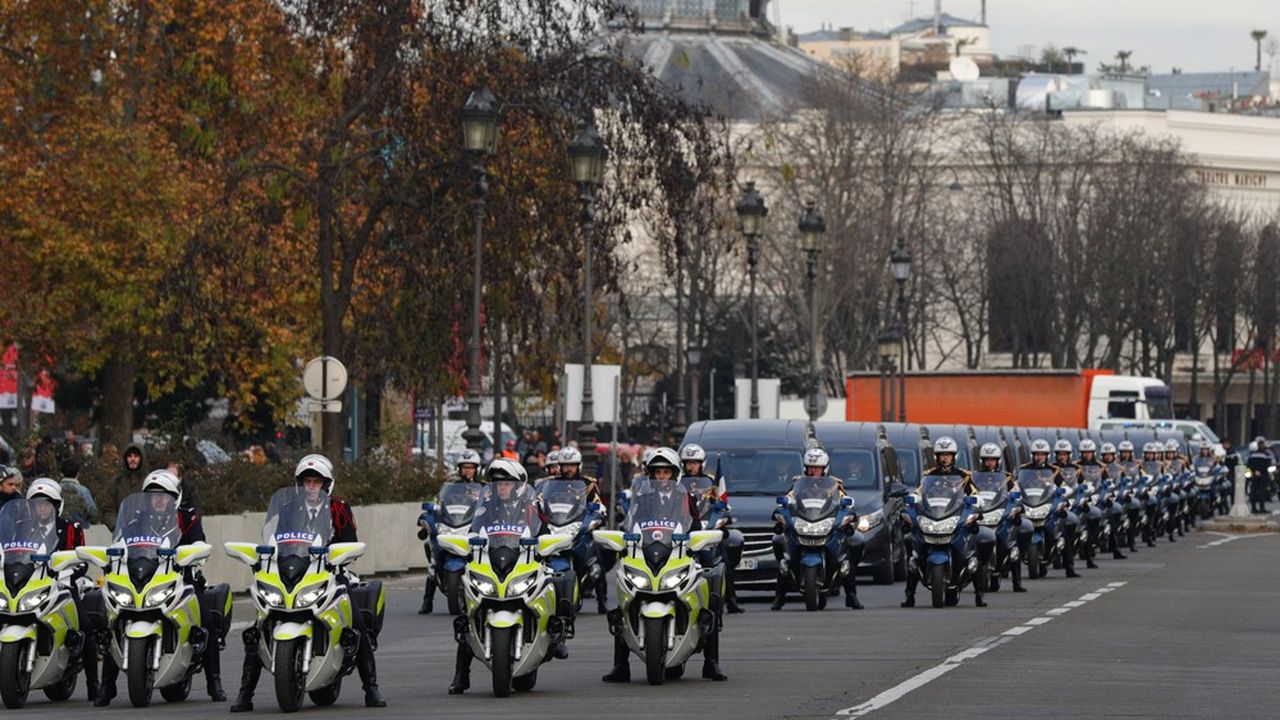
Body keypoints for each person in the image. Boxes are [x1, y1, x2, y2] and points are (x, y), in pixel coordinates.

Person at [231, 454, 385, 711]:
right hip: (293, 572)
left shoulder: (339, 509)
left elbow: (350, 540)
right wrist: (265, 555)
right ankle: (245, 694)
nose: (312, 487)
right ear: (300, 484)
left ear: (326, 484)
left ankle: (371, 688)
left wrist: (338, 554)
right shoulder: (288, 509)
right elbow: (274, 539)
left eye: (317, 482)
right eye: (307, 482)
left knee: (356, 622)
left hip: (330, 572)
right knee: (259, 625)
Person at [96, 469, 224, 704]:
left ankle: (213, 682)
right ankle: (107, 686)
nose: (158, 500)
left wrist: (195, 551)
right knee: (114, 619)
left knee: (205, 621)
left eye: (163, 496)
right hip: (141, 576)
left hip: (180, 576)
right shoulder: (136, 519)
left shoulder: (187, 517)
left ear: (174, 497)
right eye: (153, 495)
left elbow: (199, 541)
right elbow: (120, 541)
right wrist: (112, 554)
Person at [449, 459, 576, 693]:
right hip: (494, 558)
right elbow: (473, 531)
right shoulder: (485, 507)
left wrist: (546, 543)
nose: (502, 488)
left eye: (506, 483)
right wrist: (468, 543)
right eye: (498, 484)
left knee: (560, 578)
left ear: (518, 486)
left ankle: (557, 634)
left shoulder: (532, 506)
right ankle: (461, 675)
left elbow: (545, 530)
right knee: (470, 610)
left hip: (524, 558)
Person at [603, 447, 727, 683]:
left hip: (678, 552)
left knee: (709, 588)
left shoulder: (685, 498)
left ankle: (711, 663)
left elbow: (695, 526)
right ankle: (621, 666)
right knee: (624, 596)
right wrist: (624, 535)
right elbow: (630, 523)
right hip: (647, 552)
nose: (661, 478)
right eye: (657, 473)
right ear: (650, 475)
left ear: (674, 474)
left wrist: (694, 539)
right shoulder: (642, 498)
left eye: (665, 473)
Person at [23, 480, 96, 697]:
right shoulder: (23, 529)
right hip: (27, 586)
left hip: (61, 586)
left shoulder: (70, 529)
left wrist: (66, 575)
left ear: (56, 505)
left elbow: (82, 561)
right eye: (38, 504)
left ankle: (94, 686)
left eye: (47, 504)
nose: (42, 508)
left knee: (86, 628)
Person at [772, 447, 865, 611]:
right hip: (804, 522)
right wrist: (781, 511)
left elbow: (846, 501)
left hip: (825, 523)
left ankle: (852, 597)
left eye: (817, 468)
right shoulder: (797, 484)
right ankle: (779, 598)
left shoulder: (835, 485)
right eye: (810, 467)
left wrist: (849, 513)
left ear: (825, 468)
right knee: (781, 546)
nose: (813, 471)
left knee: (851, 546)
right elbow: (787, 499)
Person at [902, 437, 984, 607]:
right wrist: (911, 501)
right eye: (941, 455)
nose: (945, 458)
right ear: (936, 457)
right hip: (933, 516)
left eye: (948, 455)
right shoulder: (929, 476)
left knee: (975, 546)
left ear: (954, 456)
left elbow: (975, 494)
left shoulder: (963, 476)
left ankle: (979, 594)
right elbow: (918, 493)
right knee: (913, 549)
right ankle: (909, 596)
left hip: (954, 516)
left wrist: (976, 502)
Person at [679, 443, 745, 614]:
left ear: (701, 463)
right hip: (685, 528)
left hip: (705, 528)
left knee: (724, 562)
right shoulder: (677, 483)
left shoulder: (710, 482)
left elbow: (720, 505)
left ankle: (731, 601)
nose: (691, 466)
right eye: (688, 462)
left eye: (695, 462)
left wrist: (722, 516)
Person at [420, 449, 481, 614]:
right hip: (453, 525)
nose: (467, 470)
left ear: (477, 469)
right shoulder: (451, 487)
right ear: (459, 469)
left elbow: (489, 506)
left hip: (471, 527)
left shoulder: (484, 488)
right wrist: (428, 516)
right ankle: (427, 601)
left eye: (471, 467)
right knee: (433, 561)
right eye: (464, 467)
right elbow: (441, 504)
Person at [1023, 439, 1079, 578]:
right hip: (1031, 504)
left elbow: (1064, 486)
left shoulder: (1053, 471)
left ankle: (1069, 566)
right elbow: (1019, 485)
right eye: (1037, 454)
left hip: (1048, 505)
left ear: (1047, 455)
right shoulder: (1025, 469)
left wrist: (1064, 493)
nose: (1039, 457)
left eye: (1042, 454)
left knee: (1063, 528)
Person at [975, 443, 1026, 592]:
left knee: (1012, 543)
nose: (989, 462)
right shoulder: (975, 477)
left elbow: (1016, 494)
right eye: (986, 459)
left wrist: (1016, 507)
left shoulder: (1007, 478)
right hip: (984, 515)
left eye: (993, 459)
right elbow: (968, 495)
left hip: (1000, 514)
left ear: (998, 461)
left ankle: (1017, 582)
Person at [101, 443, 148, 531]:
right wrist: (115, 526)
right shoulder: (116, 482)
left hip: (147, 534)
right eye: (129, 456)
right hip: (122, 533)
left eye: (136, 456)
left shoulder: (149, 482)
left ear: (142, 458)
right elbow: (108, 509)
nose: (132, 459)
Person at [57, 457, 98, 526]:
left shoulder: (55, 489)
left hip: (59, 529)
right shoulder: (83, 491)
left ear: (62, 473)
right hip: (80, 529)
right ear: (78, 473)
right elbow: (92, 512)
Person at [1246, 439, 1272, 514]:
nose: (1261, 446)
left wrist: (1256, 471)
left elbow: (1267, 464)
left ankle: (1260, 508)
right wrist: (1256, 471)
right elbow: (1249, 464)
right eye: (1260, 444)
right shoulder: (1258, 454)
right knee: (1256, 491)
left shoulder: (1264, 454)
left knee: (1259, 491)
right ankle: (1256, 508)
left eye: (1262, 444)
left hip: (1260, 474)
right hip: (1259, 475)